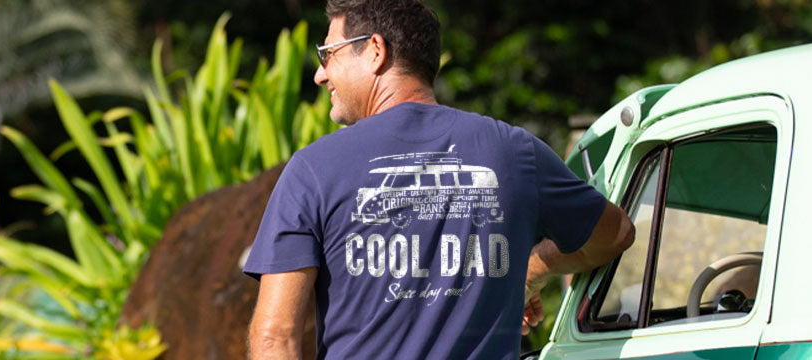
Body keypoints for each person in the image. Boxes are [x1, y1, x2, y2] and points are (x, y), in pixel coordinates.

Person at [241, 0, 637, 359]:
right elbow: (614, 234)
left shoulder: (313, 169)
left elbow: (276, 336)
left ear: (375, 51)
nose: (319, 75)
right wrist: (533, 268)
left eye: (329, 54)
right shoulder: (514, 153)